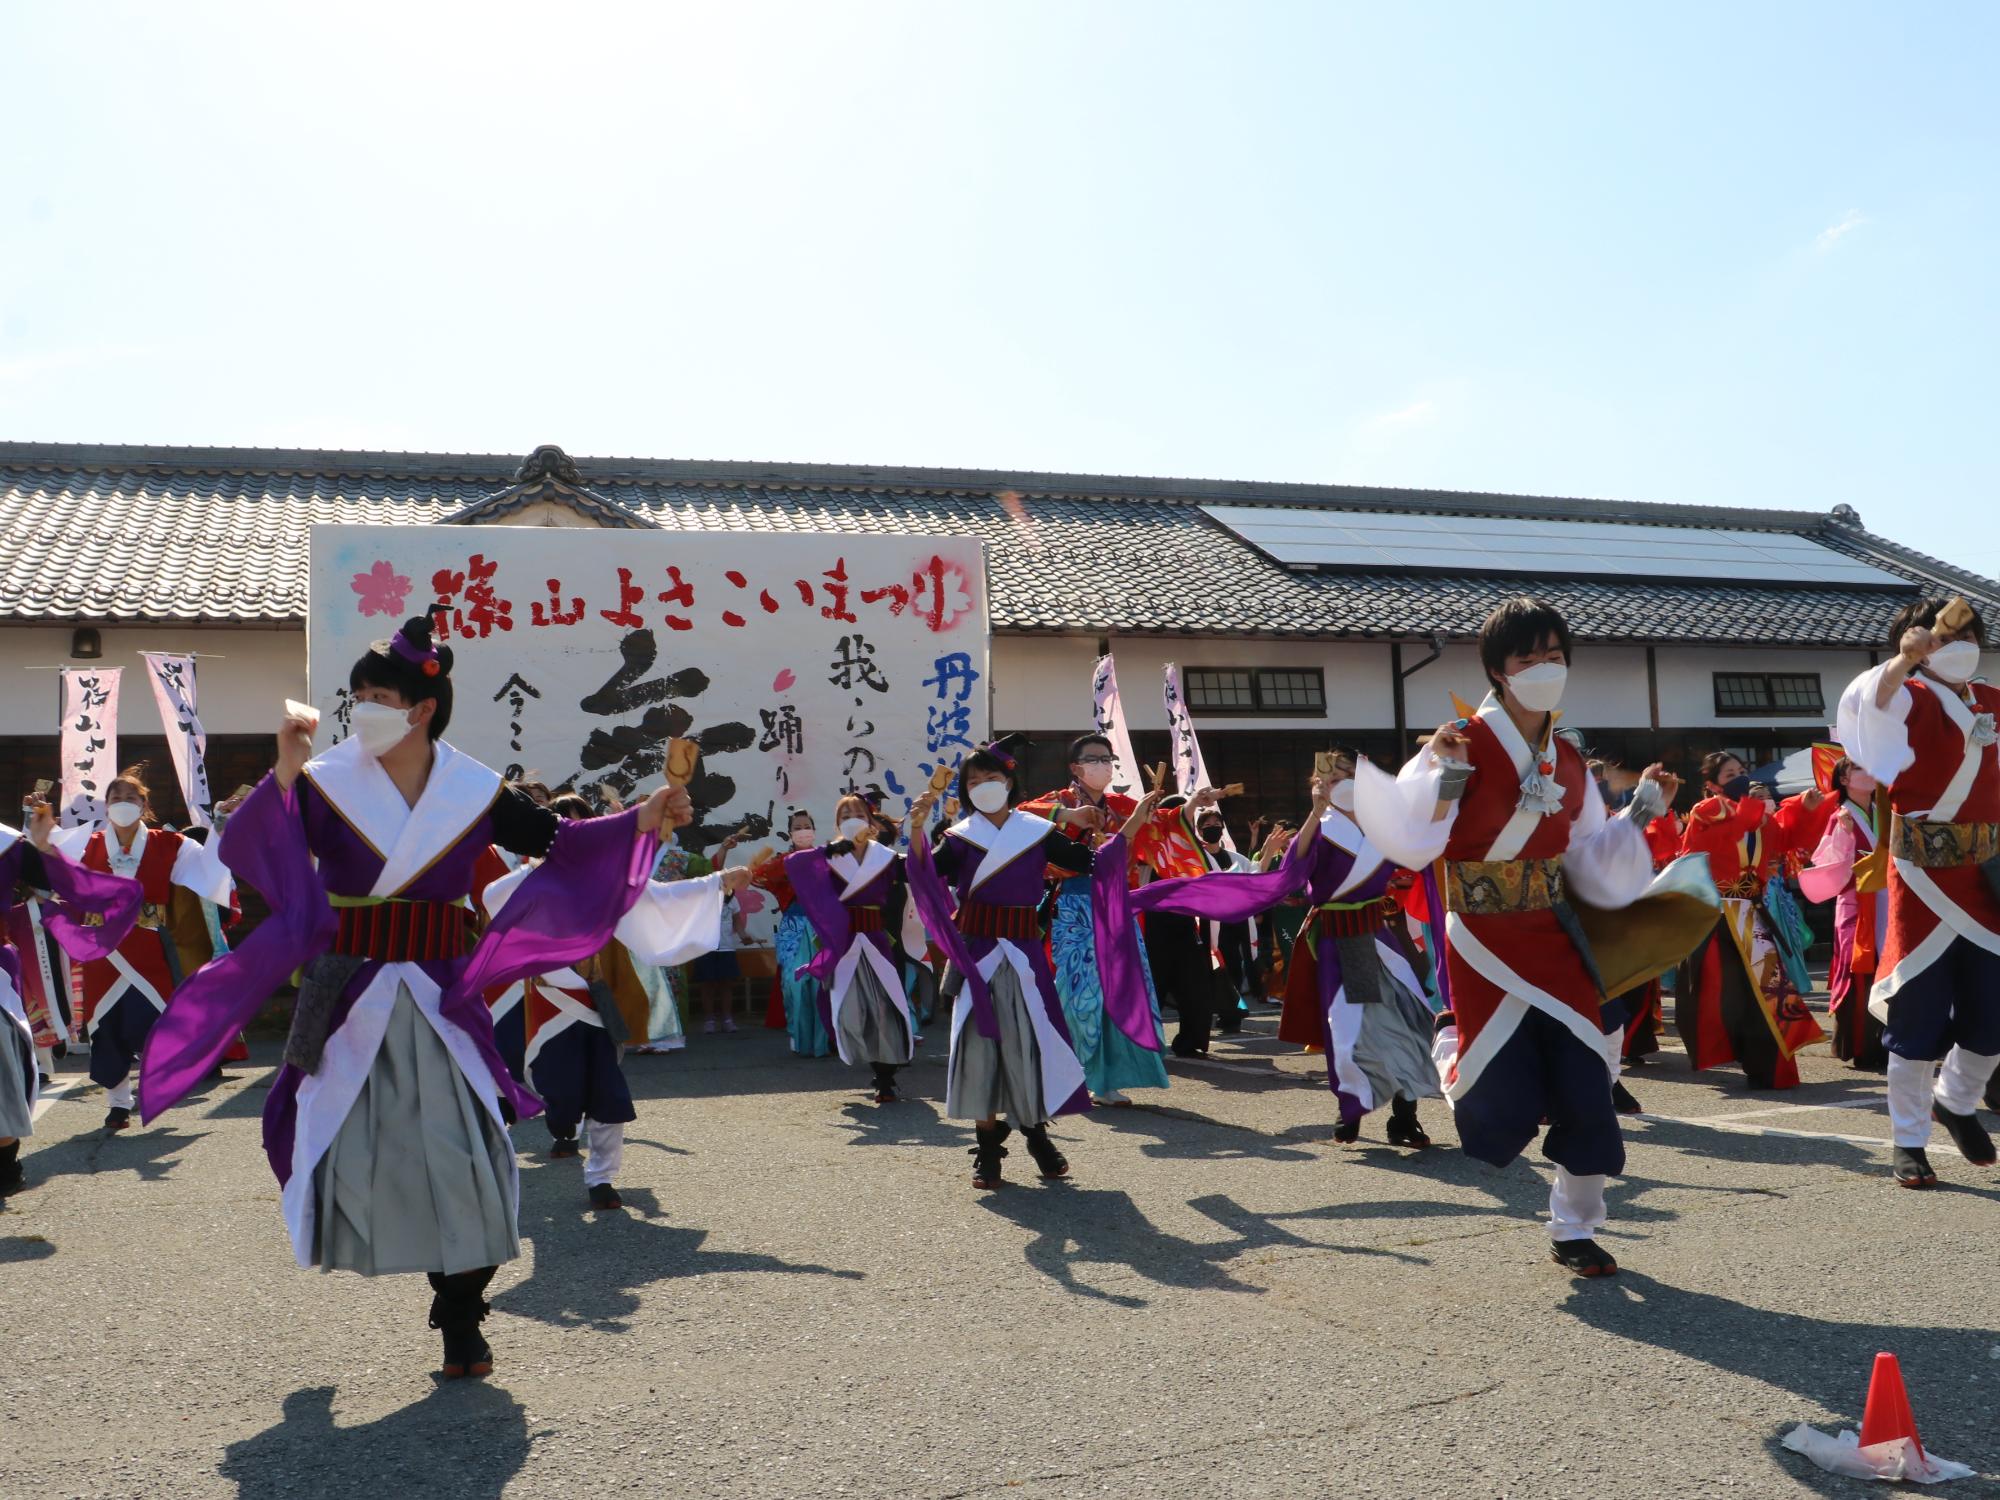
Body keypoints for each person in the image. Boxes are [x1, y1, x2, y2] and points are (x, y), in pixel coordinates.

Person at [138, 611, 724, 1379]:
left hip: (444, 998)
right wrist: (283, 769)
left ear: (421, 707)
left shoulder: (472, 788)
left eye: (377, 694)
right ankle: (364, 1252)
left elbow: (563, 841)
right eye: (356, 695)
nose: (361, 708)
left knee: (474, 1157)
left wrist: (645, 815)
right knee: (347, 1149)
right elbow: (251, 854)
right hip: (349, 998)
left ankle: (460, 1316)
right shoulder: (323, 782)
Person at [1354, 597, 1683, 1277]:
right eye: (1527, 658)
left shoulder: (1566, 755)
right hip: (1483, 937)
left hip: (1556, 934)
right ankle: (1453, 1044)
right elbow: (1415, 839)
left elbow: (1589, 857)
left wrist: (1642, 812)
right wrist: (1442, 771)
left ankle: (1574, 1227)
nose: (1543, 668)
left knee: (1589, 1076)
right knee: (1501, 1090)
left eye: (1554, 656)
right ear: (1498, 671)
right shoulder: (1459, 739)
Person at [1138, 748, 1443, 1148]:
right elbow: (1292, 872)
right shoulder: (1321, 828)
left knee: (1406, 1020)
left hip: (1381, 935)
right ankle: (1353, 1107)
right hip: (1344, 939)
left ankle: (1402, 1116)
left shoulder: (1382, 824)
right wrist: (1316, 813)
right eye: (1329, 779)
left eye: (1345, 775)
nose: (1338, 784)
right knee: (1358, 1028)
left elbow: (1425, 846)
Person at [904, 736, 1164, 1189]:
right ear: (964, 791)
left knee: (1030, 1049)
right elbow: (922, 877)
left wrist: (1133, 823)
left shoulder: (1037, 833)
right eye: (974, 781)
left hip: (1025, 957)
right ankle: (988, 1152)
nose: (984, 785)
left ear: (1010, 782)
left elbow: (1094, 864)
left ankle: (1035, 1135)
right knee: (981, 1054)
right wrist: (913, 833)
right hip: (978, 958)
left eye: (993, 778)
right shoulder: (960, 840)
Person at [485, 794, 746, 1209]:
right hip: (549, 1004)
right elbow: (492, 897)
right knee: (558, 1091)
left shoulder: (606, 879)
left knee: (607, 1093)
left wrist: (717, 883)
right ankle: (545, 1139)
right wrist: (538, 873)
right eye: (562, 828)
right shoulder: (521, 883)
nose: (569, 838)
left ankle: (601, 1179)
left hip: (595, 1002)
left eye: (579, 828)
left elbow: (657, 898)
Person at [1836, 595, 2000, 1188]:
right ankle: (1909, 1140)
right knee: (1917, 1017)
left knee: (1993, 1018)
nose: (1957, 642)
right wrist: (1902, 662)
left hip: (1987, 880)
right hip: (1924, 881)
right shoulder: (1905, 694)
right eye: (1937, 636)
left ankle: (1956, 1099)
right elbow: (1869, 711)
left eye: (1967, 632)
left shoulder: (1993, 702)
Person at [57, 767, 241, 1131]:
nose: (122, 804)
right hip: (103, 950)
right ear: (105, 807)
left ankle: (162, 1084)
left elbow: (209, 868)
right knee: (106, 1025)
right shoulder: (86, 843)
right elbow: (44, 861)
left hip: (148, 947)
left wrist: (220, 823)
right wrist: (35, 820)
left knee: (156, 1021)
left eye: (130, 798)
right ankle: (119, 1103)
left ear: (144, 805)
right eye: (115, 798)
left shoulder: (169, 844)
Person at [1018, 734, 1178, 1105]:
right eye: (1094, 759)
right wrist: (1066, 815)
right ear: (1075, 768)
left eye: (1107, 759)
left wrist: (1188, 809)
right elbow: (1020, 814)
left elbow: (1161, 826)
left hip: (1116, 905)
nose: (1102, 766)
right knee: (1079, 993)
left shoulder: (1122, 804)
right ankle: (1064, 1071)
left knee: (1121, 989)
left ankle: (1106, 1079)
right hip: (1073, 904)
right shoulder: (1058, 802)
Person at [1, 800, 142, 1198]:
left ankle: (5, 1168)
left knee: (5, 1082)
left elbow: (75, 887)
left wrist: (43, 845)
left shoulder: (7, 845)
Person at [1675, 752, 1828, 1091]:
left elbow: (1787, 841)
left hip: (1751, 912)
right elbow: (1705, 848)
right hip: (1716, 914)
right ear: (1712, 784)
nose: (1740, 778)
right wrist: (1751, 810)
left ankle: (1770, 1066)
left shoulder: (1758, 819)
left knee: (1769, 993)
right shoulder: (1706, 812)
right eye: (1730, 774)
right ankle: (1743, 1054)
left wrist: (1807, 808)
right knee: (1722, 995)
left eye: (1742, 771)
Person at [785, 792, 922, 1103]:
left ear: (870, 819)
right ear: (837, 824)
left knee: (884, 1007)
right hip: (843, 941)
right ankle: (867, 1059)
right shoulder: (830, 856)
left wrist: (919, 827)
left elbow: (921, 867)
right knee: (851, 1008)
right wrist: (826, 852)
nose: (853, 820)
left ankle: (885, 1076)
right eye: (845, 816)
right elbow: (793, 864)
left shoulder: (884, 857)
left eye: (858, 813)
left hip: (876, 939)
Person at [1798, 755, 1889, 1071]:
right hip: (1858, 905)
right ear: (1845, 780)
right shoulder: (1842, 816)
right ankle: (1861, 1045)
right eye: (1858, 769)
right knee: (1860, 971)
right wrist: (1848, 840)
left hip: (1887, 902)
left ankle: (1887, 1043)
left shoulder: (1883, 812)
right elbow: (1830, 867)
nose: (1868, 773)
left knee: (1886, 970)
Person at [752, 810, 832, 1058]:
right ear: (790, 833)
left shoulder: (825, 858)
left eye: (807, 825)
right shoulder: (783, 862)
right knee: (794, 984)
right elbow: (757, 875)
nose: (803, 830)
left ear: (814, 830)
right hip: (793, 927)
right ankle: (800, 1040)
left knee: (822, 984)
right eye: (798, 827)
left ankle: (823, 1043)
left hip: (820, 926)